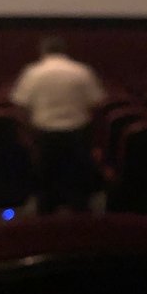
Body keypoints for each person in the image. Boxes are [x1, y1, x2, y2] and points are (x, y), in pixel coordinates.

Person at [11, 36, 105, 214]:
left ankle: (46, 224)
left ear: (43, 51)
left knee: (46, 188)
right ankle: (79, 224)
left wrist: (26, 135)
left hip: (45, 136)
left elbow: (21, 107)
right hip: (77, 135)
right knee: (77, 187)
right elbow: (96, 104)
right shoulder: (81, 71)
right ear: (64, 50)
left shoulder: (32, 73)